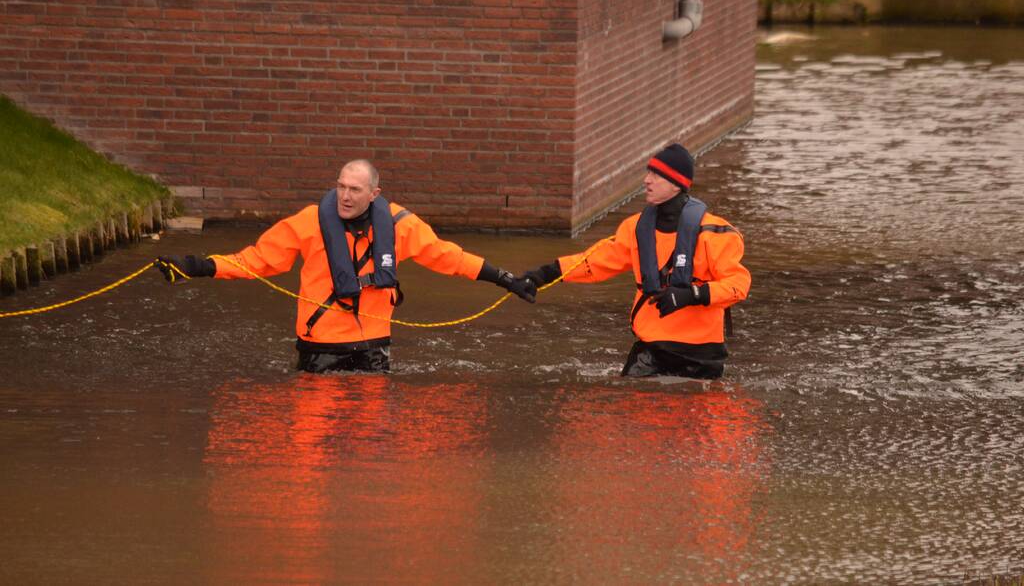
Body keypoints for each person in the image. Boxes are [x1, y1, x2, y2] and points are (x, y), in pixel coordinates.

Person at [156, 159, 536, 373]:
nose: (345, 196)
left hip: (373, 349)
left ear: (374, 195)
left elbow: (448, 257)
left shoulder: (401, 225)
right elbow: (257, 260)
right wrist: (198, 266)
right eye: (340, 187)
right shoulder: (309, 221)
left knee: (373, 446)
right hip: (319, 349)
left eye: (354, 190)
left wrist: (504, 279)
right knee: (316, 447)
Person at [523, 144, 750, 379]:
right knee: (629, 406)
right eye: (648, 172)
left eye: (655, 175)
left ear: (676, 184)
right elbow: (595, 263)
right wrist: (542, 275)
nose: (646, 180)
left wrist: (692, 294)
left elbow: (738, 285)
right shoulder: (635, 228)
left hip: (702, 354)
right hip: (651, 349)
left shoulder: (717, 234)